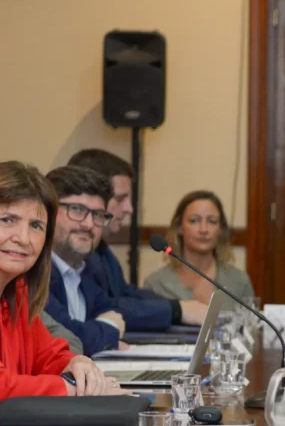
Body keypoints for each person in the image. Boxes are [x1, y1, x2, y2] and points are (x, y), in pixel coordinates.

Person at [0, 161, 118, 397]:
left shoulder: (18, 291)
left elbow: (46, 354)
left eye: (36, 225)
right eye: (7, 220)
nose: (23, 238)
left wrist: (77, 363)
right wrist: (68, 388)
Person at [68, 149, 207, 328]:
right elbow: (107, 307)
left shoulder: (101, 249)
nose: (129, 209)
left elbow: (126, 294)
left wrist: (180, 305)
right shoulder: (78, 250)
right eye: (121, 199)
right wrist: (176, 309)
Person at [44, 166, 127, 356]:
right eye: (77, 210)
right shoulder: (33, 271)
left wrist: (99, 330)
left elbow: (112, 310)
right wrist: (108, 331)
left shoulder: (89, 267)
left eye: (98, 215)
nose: (88, 224)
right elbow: (65, 337)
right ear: (49, 212)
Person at [144, 190, 254, 311]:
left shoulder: (239, 282)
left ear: (220, 229)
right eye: (194, 221)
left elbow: (251, 327)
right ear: (179, 227)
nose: (203, 229)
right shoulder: (156, 284)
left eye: (212, 221)